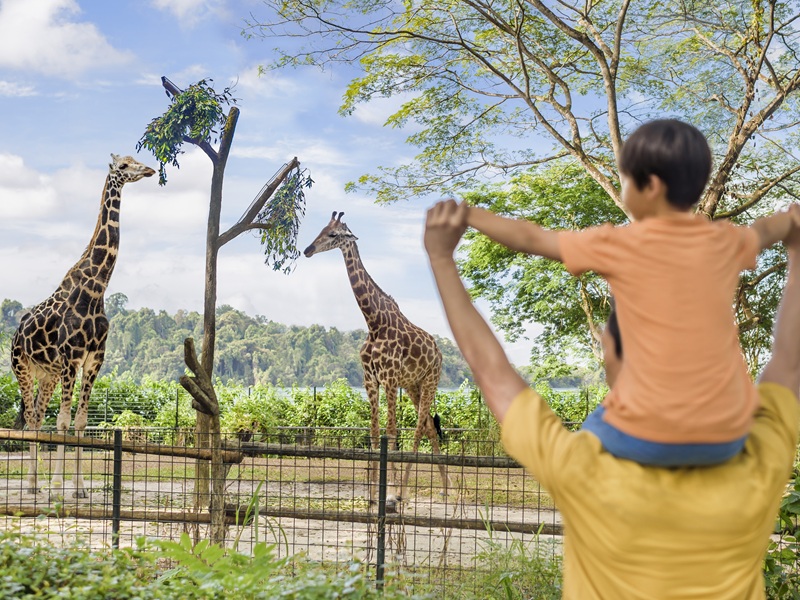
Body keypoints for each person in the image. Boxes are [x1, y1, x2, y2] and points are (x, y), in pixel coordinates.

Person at [424, 198, 800, 599]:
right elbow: (789, 364)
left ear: (616, 356)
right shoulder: (756, 460)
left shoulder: (585, 468)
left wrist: (441, 258)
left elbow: (492, 372)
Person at [465, 119, 800, 466]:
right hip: (726, 435)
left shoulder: (620, 243)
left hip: (647, 436)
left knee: (587, 436)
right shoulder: (725, 241)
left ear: (651, 186)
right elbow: (765, 230)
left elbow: (531, 238)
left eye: (624, 180)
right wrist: (791, 220)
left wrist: (471, 215)